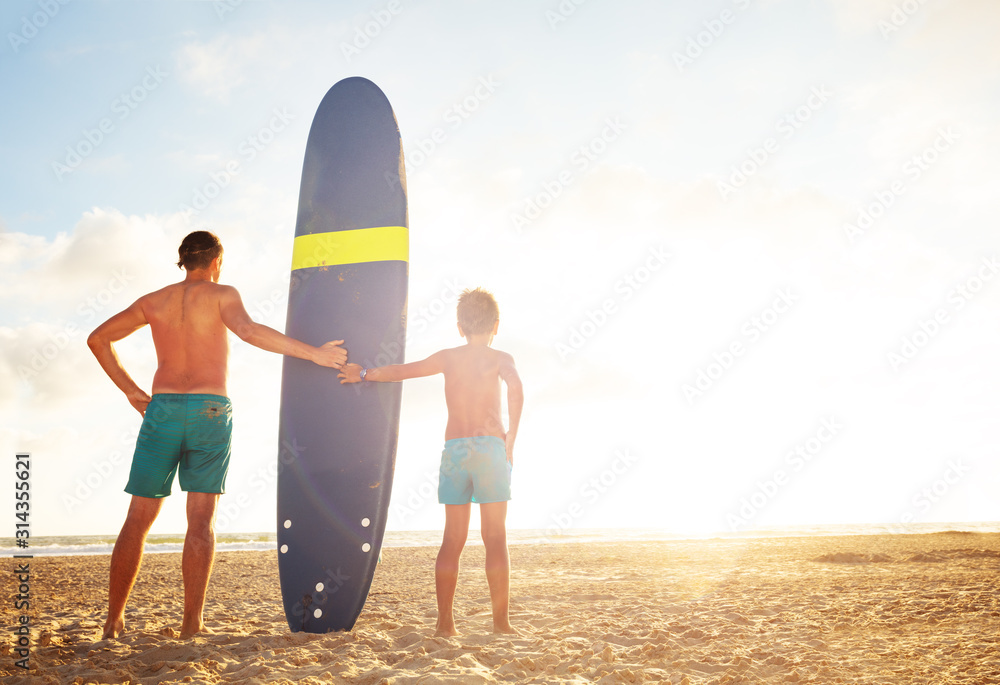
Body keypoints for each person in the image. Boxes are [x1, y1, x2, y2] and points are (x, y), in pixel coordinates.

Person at [87, 230, 348, 639]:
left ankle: (113, 621)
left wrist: (131, 391)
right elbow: (249, 332)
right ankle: (191, 623)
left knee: (138, 518)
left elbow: (97, 339)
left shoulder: (152, 301)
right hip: (210, 411)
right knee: (200, 520)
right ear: (216, 262)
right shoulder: (223, 294)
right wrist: (315, 353)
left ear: (183, 261)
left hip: (163, 409)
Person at [338, 287, 523, 636]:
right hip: (490, 449)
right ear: (496, 325)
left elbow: (403, 371)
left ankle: (445, 624)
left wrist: (363, 374)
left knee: (452, 539)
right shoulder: (501, 358)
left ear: (459, 327)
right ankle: (501, 624)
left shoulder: (448, 357)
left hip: (455, 450)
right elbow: (516, 387)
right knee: (495, 537)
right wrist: (511, 435)